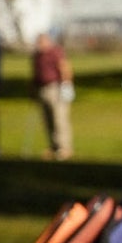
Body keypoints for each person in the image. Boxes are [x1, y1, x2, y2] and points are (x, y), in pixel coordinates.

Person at [31, 32, 74, 160]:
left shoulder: (55, 52)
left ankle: (64, 147)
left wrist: (67, 85)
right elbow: (35, 73)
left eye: (42, 42)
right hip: (41, 89)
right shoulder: (37, 56)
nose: (40, 45)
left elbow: (65, 68)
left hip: (56, 88)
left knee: (59, 119)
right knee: (47, 119)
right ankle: (53, 146)